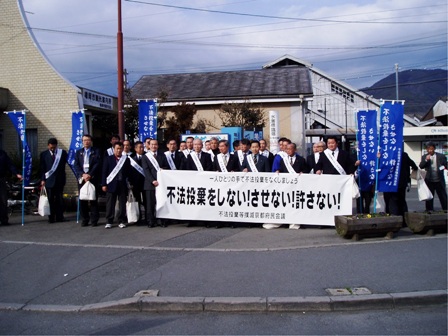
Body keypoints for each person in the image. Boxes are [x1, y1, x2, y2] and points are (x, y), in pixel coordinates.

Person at [102, 142, 131, 229]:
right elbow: (104, 172)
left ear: (122, 149)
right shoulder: (108, 159)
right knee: (110, 203)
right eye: (117, 149)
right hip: (111, 183)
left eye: (120, 149)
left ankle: (121, 220)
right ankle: (109, 221)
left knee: (122, 203)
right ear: (114, 149)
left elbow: (128, 172)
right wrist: (103, 184)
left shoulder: (126, 159)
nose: (119, 150)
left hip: (122, 184)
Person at [74, 134, 101, 227]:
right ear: (82, 141)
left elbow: (97, 164)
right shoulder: (78, 152)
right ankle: (85, 219)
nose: (86, 142)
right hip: (82, 179)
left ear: (91, 141)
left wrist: (90, 174)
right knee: (82, 200)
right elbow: (76, 165)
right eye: (84, 140)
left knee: (93, 199)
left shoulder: (96, 151)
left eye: (88, 140)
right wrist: (83, 174)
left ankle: (94, 220)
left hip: (92, 178)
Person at [39, 138, 68, 223]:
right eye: (51, 147)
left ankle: (60, 217)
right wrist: (43, 179)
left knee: (59, 199)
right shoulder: (44, 154)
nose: (52, 149)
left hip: (59, 180)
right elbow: (42, 168)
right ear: (48, 145)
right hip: (49, 180)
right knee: (50, 199)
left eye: (54, 147)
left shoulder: (62, 153)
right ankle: (51, 218)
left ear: (56, 146)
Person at [383, 151, 418, 218]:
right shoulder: (403, 154)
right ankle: (404, 220)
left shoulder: (385, 154)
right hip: (402, 183)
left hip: (389, 183)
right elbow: (413, 165)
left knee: (391, 201)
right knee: (402, 201)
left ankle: (394, 219)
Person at [419, 142, 447, 211]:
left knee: (443, 196)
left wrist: (443, 167)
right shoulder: (424, 156)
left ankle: (445, 208)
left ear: (434, 149)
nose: (430, 150)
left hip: (439, 180)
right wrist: (426, 160)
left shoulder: (441, 156)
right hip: (429, 180)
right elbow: (421, 166)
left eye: (431, 149)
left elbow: (446, 164)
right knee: (429, 196)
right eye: (428, 149)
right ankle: (429, 209)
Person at [142, 139, 164, 227]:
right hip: (150, 184)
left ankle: (161, 220)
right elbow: (146, 170)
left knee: (160, 203)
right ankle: (150, 221)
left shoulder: (162, 156)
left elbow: (165, 166)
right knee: (150, 204)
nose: (154, 146)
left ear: (158, 146)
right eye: (152, 144)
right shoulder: (145, 157)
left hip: (161, 183)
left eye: (155, 144)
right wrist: (152, 180)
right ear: (149, 146)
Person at [0, 150, 22, 226]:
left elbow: (10, 164)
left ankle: (4, 220)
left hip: (1, 179)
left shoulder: (2, 153)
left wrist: (16, 173)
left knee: (3, 201)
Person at [129, 141, 146, 225]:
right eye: (139, 147)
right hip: (135, 183)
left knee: (146, 201)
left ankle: (147, 217)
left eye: (142, 147)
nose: (142, 149)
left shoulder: (147, 156)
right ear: (135, 149)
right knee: (137, 201)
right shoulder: (131, 158)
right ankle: (138, 218)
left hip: (146, 182)